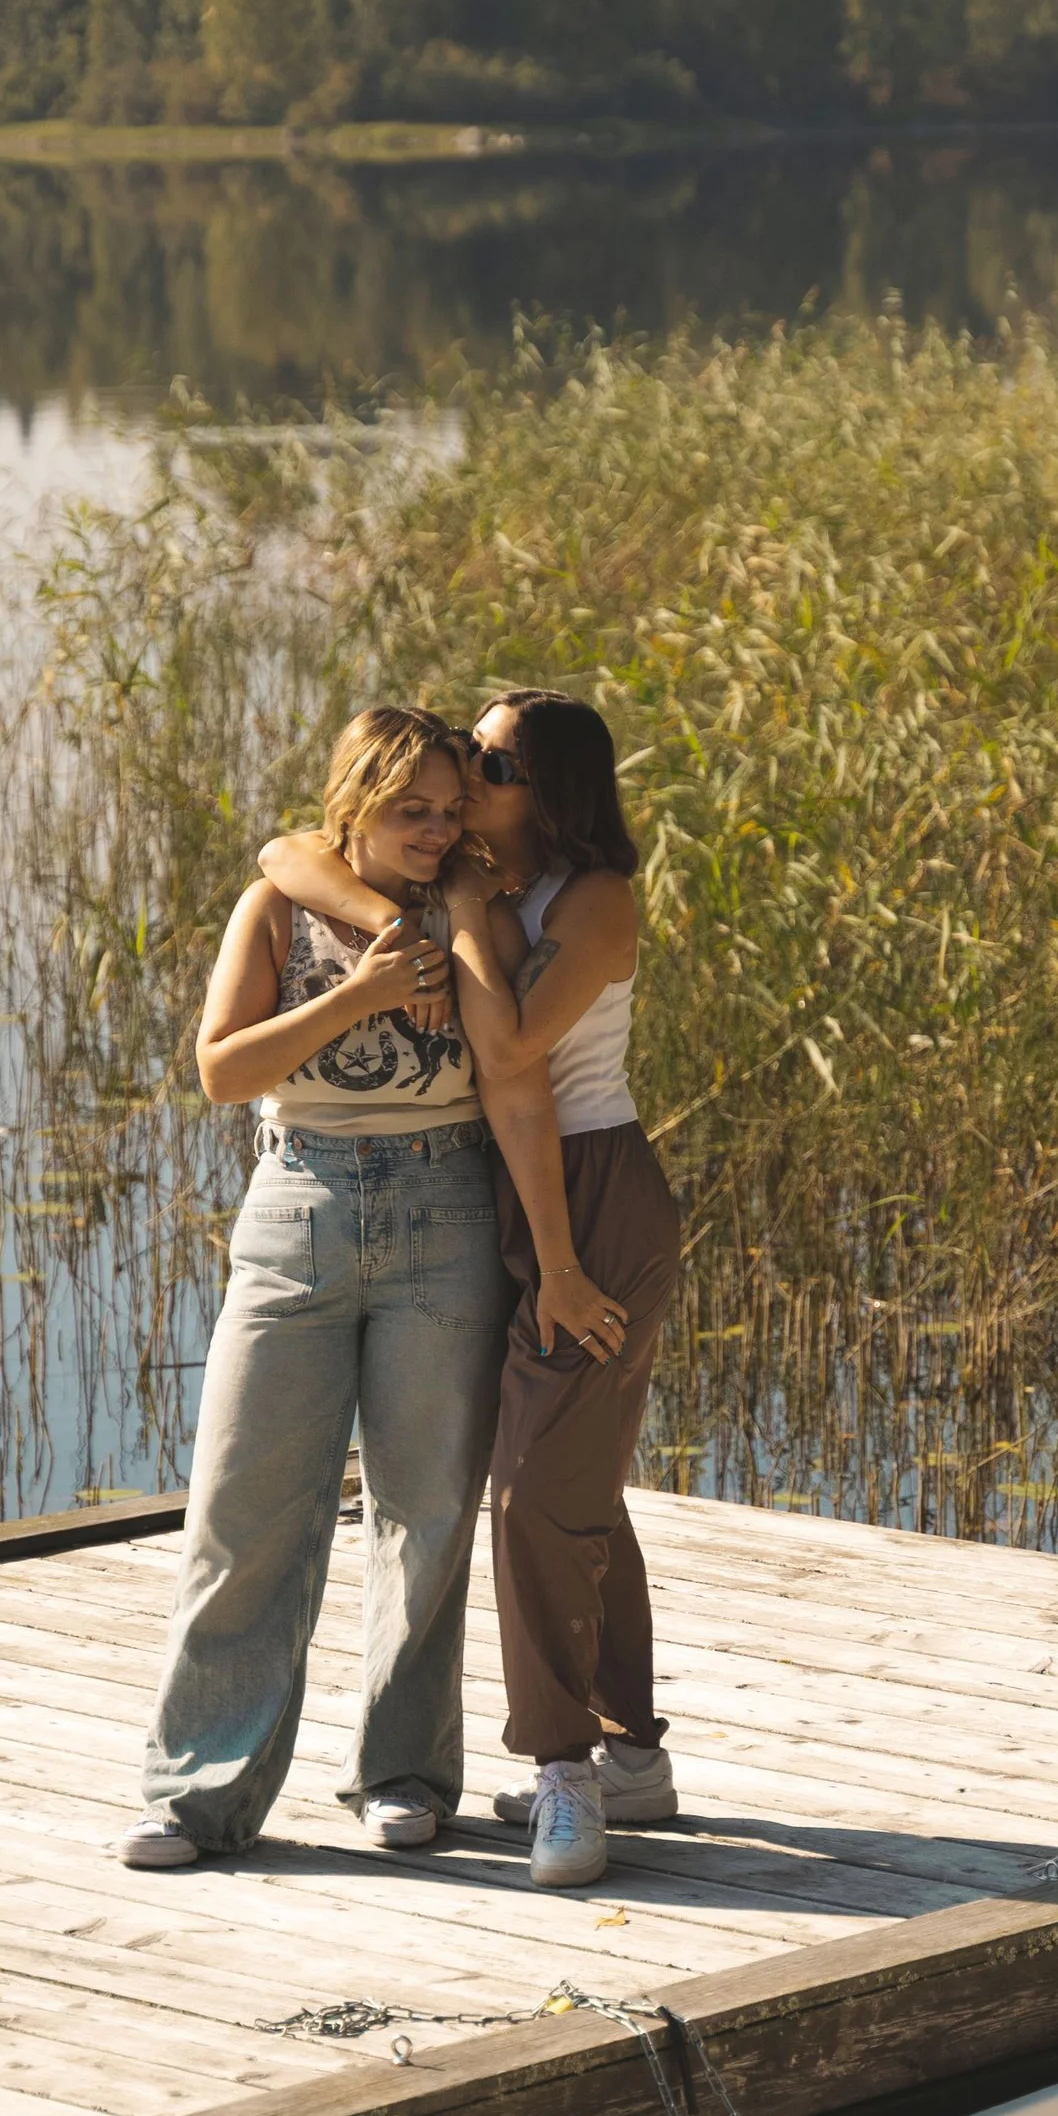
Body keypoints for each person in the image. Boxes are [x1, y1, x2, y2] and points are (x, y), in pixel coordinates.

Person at [258, 689, 681, 1891]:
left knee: (535, 1496)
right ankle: (631, 1745)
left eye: (487, 763)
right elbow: (284, 852)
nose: (465, 779)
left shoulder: (589, 901)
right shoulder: (480, 884)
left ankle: (565, 1775)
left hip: (591, 1192)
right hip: (491, 1184)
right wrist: (429, 909)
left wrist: (456, 914)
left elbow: (509, 1055)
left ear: (545, 787)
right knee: (574, 1480)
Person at [123, 706, 514, 1869]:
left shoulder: (470, 902)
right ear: (356, 805)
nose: (438, 830)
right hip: (300, 1206)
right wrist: (358, 994)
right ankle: (197, 1795)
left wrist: (438, 932)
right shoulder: (280, 907)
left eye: (451, 811)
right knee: (244, 1513)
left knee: (427, 1511)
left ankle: (402, 1777)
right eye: (413, 811)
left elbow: (513, 1060)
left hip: (449, 1210)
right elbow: (219, 1069)